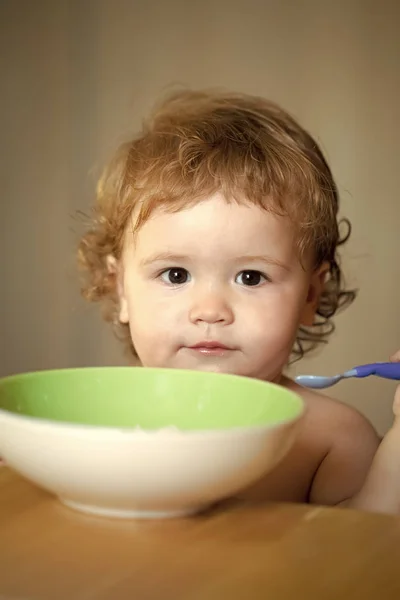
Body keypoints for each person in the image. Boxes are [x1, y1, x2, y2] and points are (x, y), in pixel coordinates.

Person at [78, 89, 400, 513]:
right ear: (121, 289)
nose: (210, 310)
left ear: (310, 295)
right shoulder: (90, 418)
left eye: (251, 277)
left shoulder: (330, 437)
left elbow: (369, 545)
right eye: (175, 274)